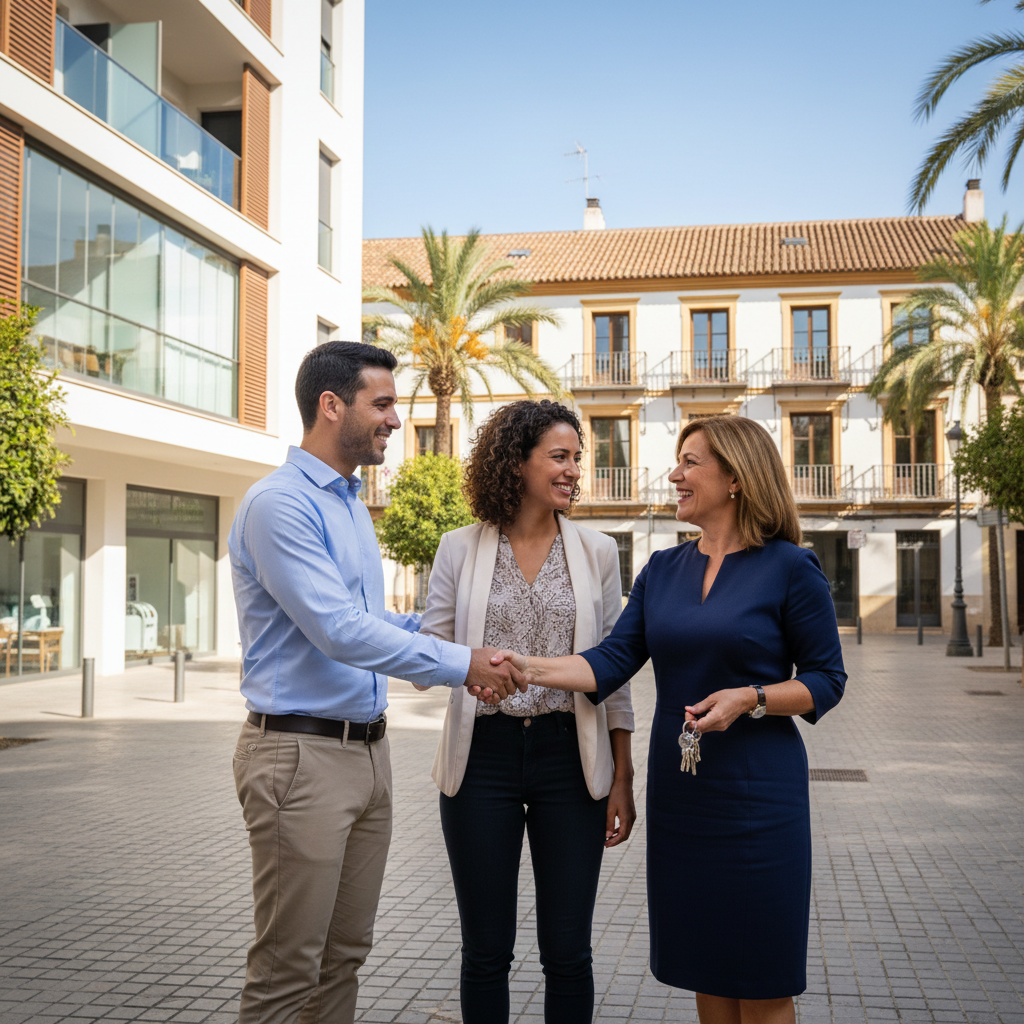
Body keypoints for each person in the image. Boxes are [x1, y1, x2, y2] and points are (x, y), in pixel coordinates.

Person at [482, 415, 847, 1024]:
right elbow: (611, 661)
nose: (675, 474)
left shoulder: (791, 567)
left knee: (760, 979)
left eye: (690, 462)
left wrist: (751, 698)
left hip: (759, 796)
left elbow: (826, 680)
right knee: (706, 966)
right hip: (685, 795)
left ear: (735, 477)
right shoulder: (662, 569)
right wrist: (525, 667)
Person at [228, 341, 522, 1024]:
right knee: (287, 969)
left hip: (366, 755)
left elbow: (368, 619)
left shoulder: (350, 505)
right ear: (332, 405)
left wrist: (453, 626)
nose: (396, 419)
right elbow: (338, 631)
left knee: (344, 957)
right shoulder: (279, 505)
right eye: (383, 403)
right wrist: (464, 664)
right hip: (299, 760)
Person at [417, 400, 636, 1024]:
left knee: (568, 951)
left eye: (577, 459)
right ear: (517, 462)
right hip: (481, 760)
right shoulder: (459, 548)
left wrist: (623, 776)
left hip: (571, 759)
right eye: (559, 457)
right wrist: (470, 669)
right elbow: (433, 649)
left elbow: (612, 672)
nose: (573, 471)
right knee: (486, 950)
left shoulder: (596, 551)